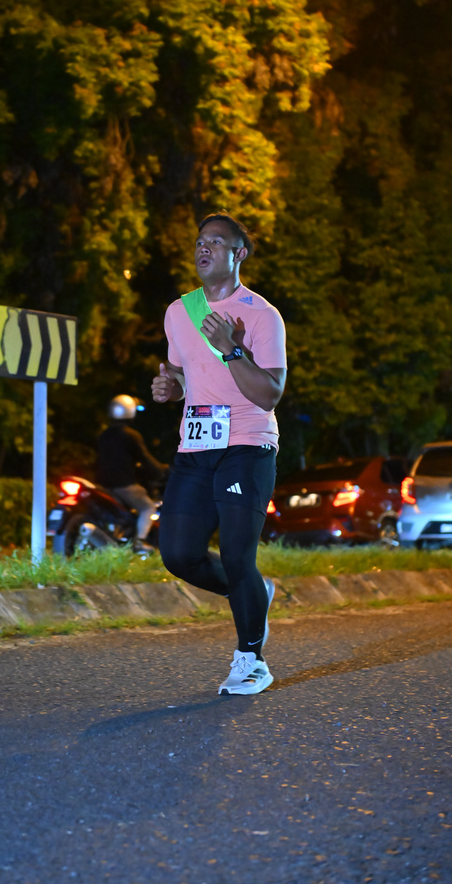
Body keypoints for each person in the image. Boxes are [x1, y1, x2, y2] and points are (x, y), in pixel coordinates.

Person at [152, 212, 286, 695]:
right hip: (197, 444)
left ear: (238, 254)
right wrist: (170, 387)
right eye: (199, 241)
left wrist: (231, 348)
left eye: (216, 241)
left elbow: (269, 393)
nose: (203, 248)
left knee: (236, 553)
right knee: (179, 554)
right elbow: (181, 374)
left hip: (247, 444)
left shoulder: (262, 315)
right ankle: (253, 593)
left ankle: (252, 661)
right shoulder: (178, 311)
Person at [95, 394, 168, 553]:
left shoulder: (104, 435)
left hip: (103, 485)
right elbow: (145, 459)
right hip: (124, 485)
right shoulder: (131, 435)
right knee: (148, 507)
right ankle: (139, 542)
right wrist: (161, 470)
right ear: (130, 411)